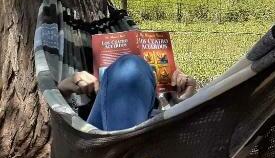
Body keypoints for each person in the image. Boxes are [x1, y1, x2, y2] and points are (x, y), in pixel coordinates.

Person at [57, 54, 197, 131]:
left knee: (131, 66)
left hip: (147, 133)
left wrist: (183, 100)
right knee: (130, 66)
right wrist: (63, 90)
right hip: (100, 141)